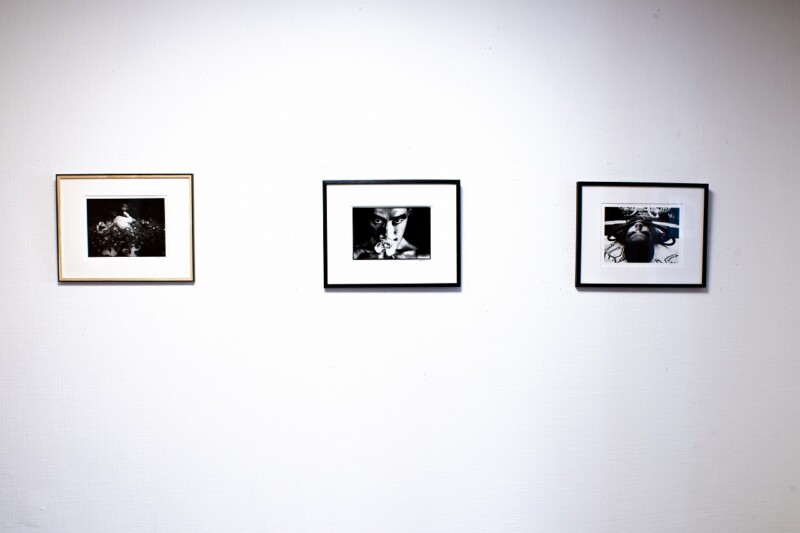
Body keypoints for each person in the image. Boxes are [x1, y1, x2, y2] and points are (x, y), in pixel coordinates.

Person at [353, 207, 430, 259]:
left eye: (397, 220)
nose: (387, 234)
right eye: (377, 221)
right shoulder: (354, 255)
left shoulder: (423, 258)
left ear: (408, 213)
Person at [605, 216, 678, 263]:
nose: (638, 226)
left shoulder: (621, 233)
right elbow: (672, 232)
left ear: (625, 238)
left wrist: (622, 228)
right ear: (652, 238)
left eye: (631, 233)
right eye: (645, 233)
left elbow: (608, 229)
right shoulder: (656, 235)